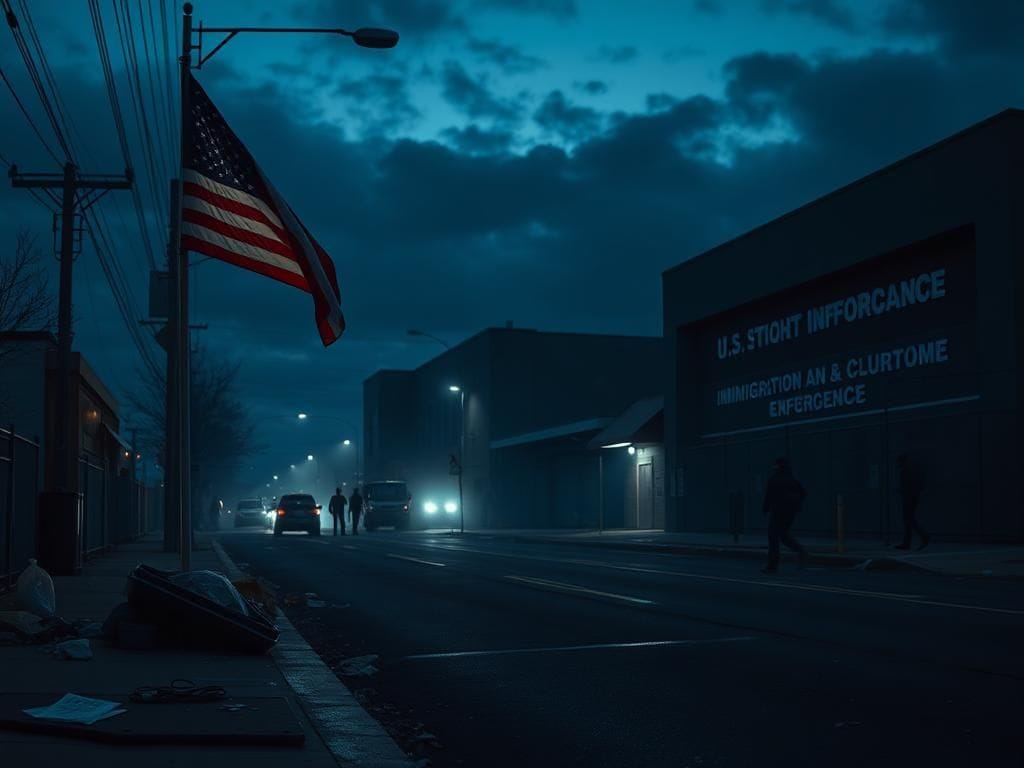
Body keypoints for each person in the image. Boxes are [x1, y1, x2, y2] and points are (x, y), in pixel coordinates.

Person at [761, 457, 807, 573]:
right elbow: (803, 493)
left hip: (778, 511)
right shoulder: (791, 479)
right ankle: (801, 551)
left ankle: (773, 565)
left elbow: (768, 496)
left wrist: (765, 509)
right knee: (782, 535)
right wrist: (794, 502)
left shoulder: (774, 479)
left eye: (775, 465)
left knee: (773, 537)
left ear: (778, 466)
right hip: (791, 512)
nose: (773, 467)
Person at [895, 452, 929, 550]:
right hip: (912, 497)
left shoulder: (906, 471)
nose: (897, 465)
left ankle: (923, 537)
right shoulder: (912, 470)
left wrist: (901, 490)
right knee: (908, 520)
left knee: (908, 520)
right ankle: (908, 542)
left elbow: (907, 486)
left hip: (908, 498)